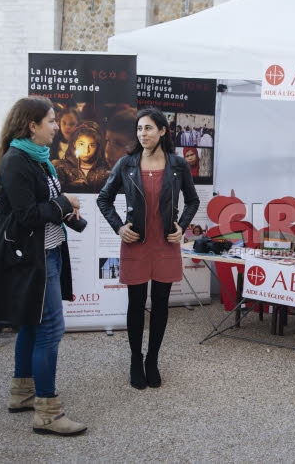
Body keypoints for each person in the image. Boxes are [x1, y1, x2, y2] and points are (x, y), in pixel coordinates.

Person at [0, 96, 86, 436]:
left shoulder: (37, 160)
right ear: (32, 126)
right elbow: (25, 216)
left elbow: (39, 207)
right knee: (51, 330)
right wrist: (62, 201)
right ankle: (47, 412)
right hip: (35, 260)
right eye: (52, 121)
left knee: (31, 324)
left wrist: (64, 210)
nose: (57, 127)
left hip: (47, 253)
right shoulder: (16, 162)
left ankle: (22, 392)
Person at [97, 107, 200, 390]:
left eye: (149, 128)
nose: (143, 134)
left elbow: (192, 200)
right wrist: (119, 227)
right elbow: (103, 199)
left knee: (161, 306)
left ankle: (152, 359)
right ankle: (135, 360)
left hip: (166, 244)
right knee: (136, 304)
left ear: (163, 131)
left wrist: (182, 226)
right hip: (136, 244)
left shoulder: (178, 164)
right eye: (140, 129)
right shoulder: (126, 164)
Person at [53, 121, 111, 193]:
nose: (86, 150)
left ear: (97, 146)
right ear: (74, 144)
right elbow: (54, 192)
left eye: (91, 145)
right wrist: (70, 187)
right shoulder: (61, 167)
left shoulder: (105, 169)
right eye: (81, 144)